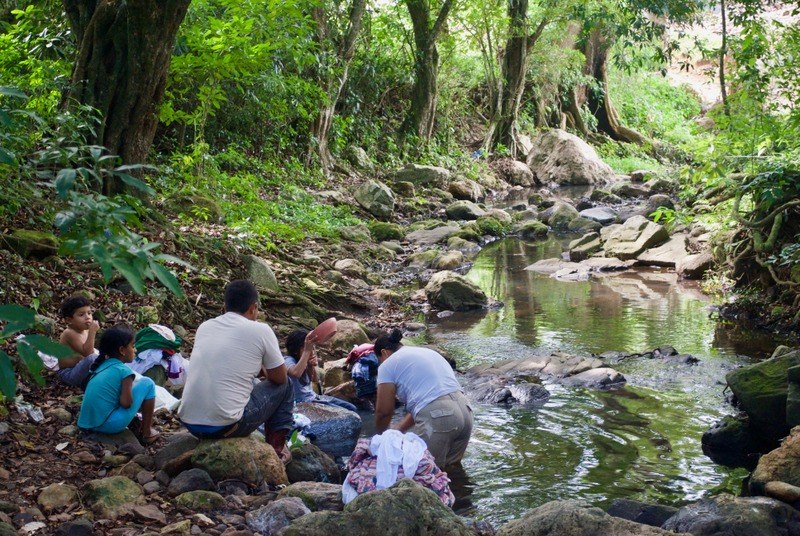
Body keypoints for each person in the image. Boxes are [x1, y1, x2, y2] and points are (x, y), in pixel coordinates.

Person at [177, 280, 294, 463]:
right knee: (288, 386)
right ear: (254, 308)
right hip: (225, 427)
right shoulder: (261, 330)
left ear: (224, 307)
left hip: (190, 423)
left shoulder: (205, 327)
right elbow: (280, 379)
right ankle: (276, 449)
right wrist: (263, 370)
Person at [374, 328, 473, 468]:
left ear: (384, 352)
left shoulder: (388, 365)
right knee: (453, 472)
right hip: (465, 411)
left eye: (379, 360)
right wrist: (399, 429)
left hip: (440, 417)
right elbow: (426, 400)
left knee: (424, 475)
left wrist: (380, 440)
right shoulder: (427, 352)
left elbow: (383, 412)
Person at [77, 325, 159, 443]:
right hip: (107, 425)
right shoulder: (124, 371)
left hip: (86, 423)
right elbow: (126, 404)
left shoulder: (101, 366)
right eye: (133, 346)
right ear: (122, 350)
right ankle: (147, 433)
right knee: (148, 383)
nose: (135, 350)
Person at [285, 329, 358, 412]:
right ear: (295, 350)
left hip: (314, 397)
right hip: (303, 401)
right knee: (343, 412)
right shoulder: (288, 360)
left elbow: (314, 380)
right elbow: (296, 373)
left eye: (312, 348)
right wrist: (307, 351)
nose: (311, 352)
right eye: (307, 348)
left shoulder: (304, 360)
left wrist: (311, 366)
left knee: (352, 408)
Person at [57, 296, 100, 388]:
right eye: (81, 315)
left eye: (89, 313)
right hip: (68, 374)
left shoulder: (85, 330)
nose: (87, 317)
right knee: (92, 358)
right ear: (69, 320)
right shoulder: (69, 333)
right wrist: (92, 332)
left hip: (81, 369)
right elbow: (88, 353)